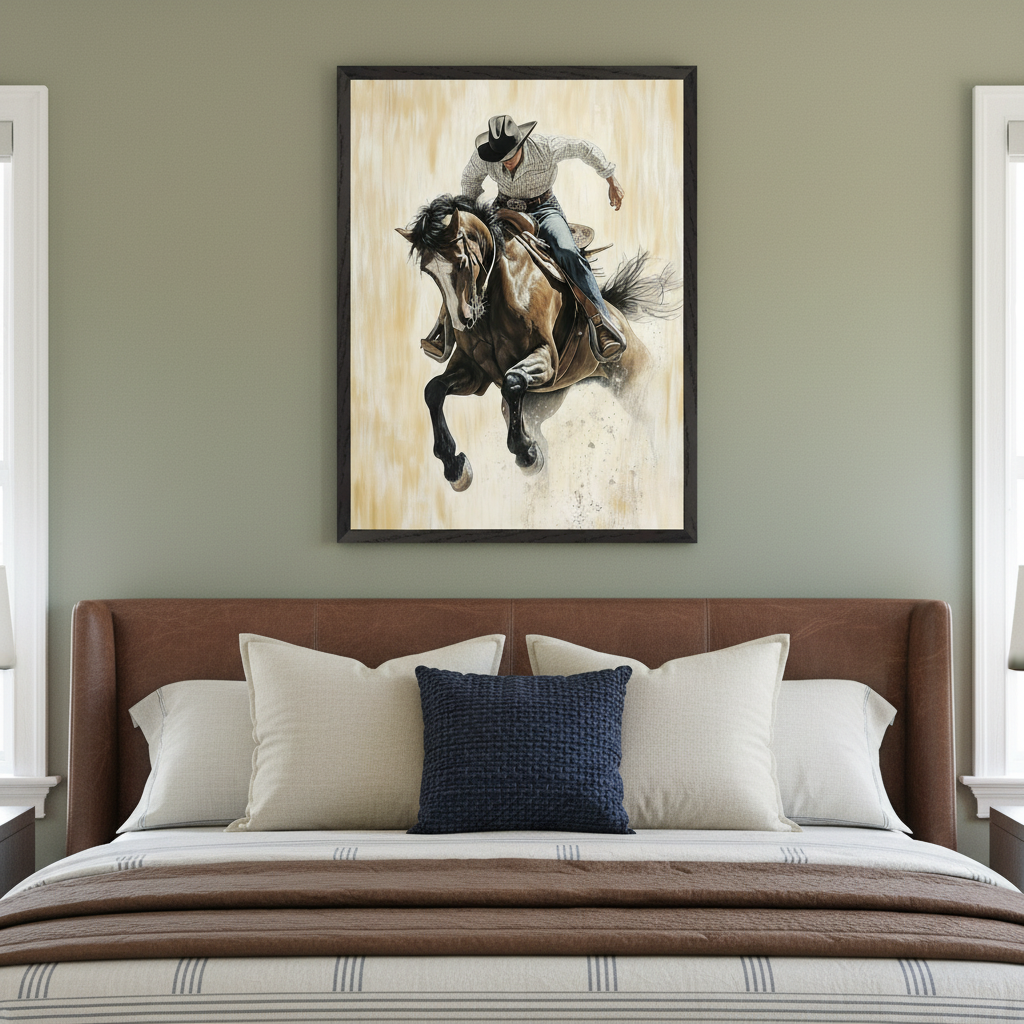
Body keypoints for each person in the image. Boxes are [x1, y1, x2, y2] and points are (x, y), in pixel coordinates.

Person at [459, 114, 628, 363]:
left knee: (567, 251)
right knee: (466, 253)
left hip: (543, 209)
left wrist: (611, 179)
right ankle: (447, 328)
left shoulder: (545, 147)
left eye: (509, 156)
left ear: (521, 144)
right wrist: (473, 215)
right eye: (500, 158)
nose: (504, 162)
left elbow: (583, 148)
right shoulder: (487, 155)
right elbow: (469, 179)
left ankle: (601, 321)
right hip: (502, 209)